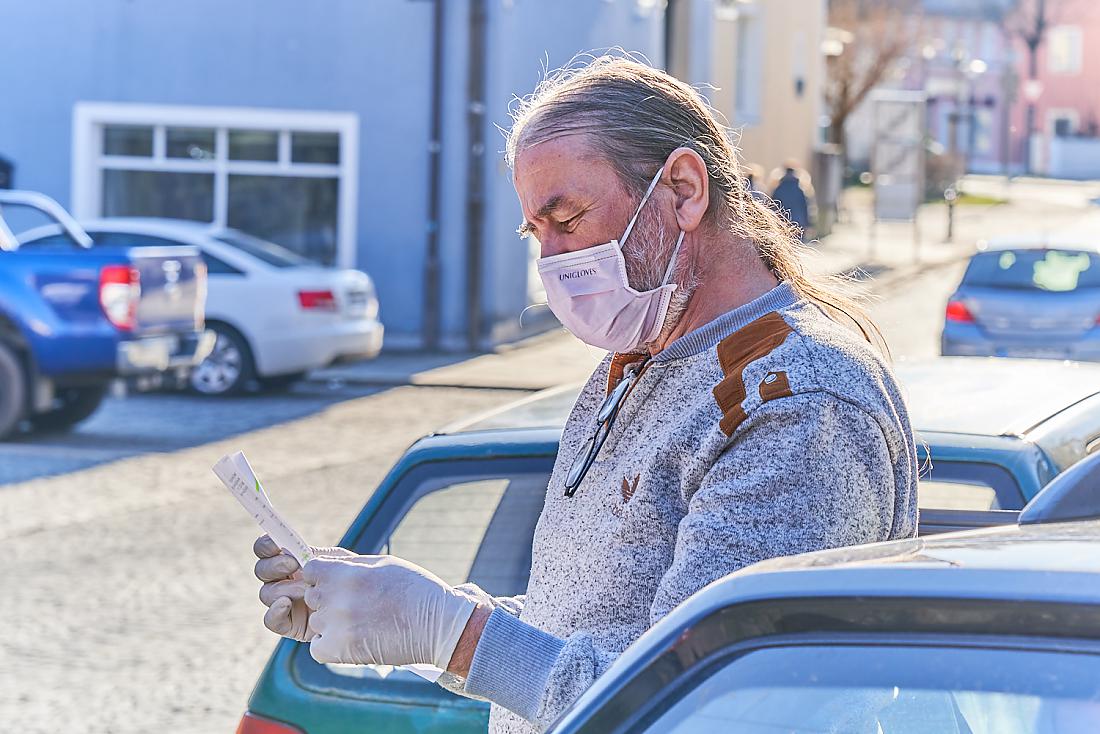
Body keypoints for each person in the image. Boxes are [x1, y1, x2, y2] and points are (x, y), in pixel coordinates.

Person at [252, 56, 919, 734]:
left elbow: (702, 706)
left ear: (683, 191)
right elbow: (585, 632)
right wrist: (392, 612)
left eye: (565, 219)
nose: (551, 264)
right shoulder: (634, 363)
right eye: (536, 235)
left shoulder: (798, 400)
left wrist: (453, 632)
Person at [770, 160, 813, 240]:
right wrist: (808, 224)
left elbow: (772, 206)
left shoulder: (778, 188)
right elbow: (806, 207)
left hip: (781, 222)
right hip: (798, 223)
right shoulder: (800, 189)